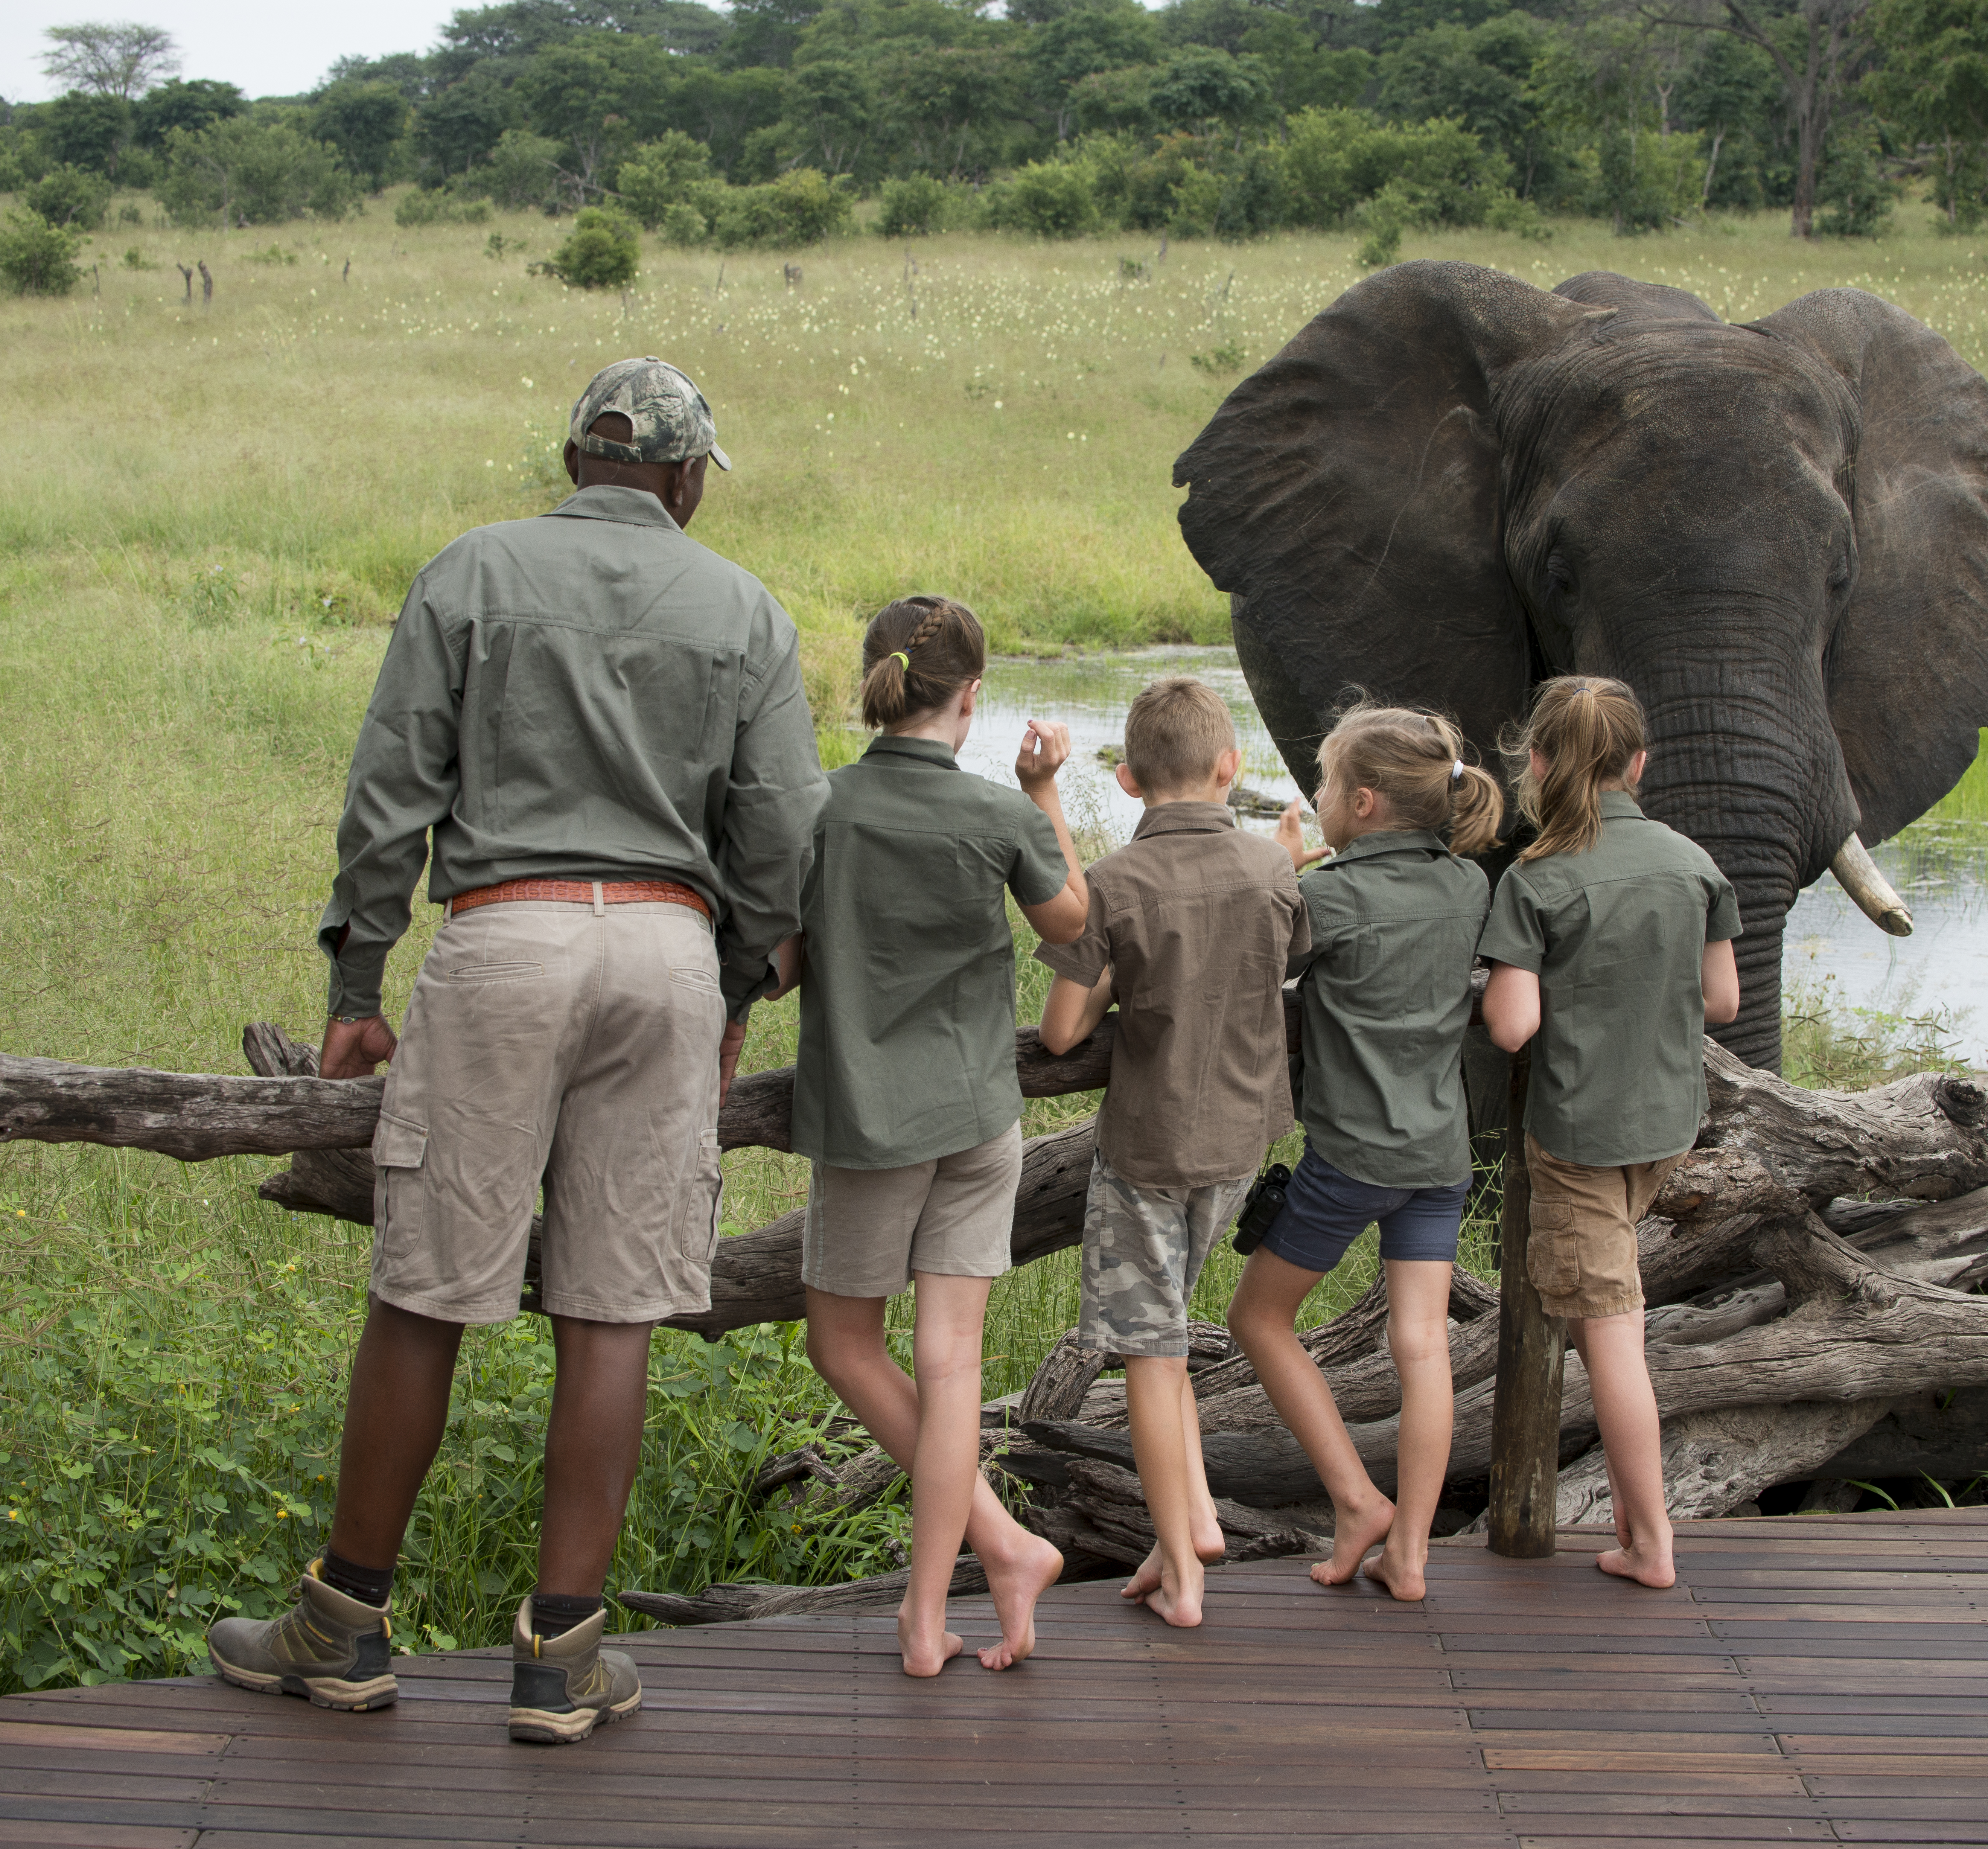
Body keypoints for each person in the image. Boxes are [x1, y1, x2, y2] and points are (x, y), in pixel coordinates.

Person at [206, 358, 827, 1743]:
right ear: (680, 478)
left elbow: (391, 786)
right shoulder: (748, 611)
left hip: (503, 938)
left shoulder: (470, 571)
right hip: (666, 954)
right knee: (611, 1309)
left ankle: (345, 1623)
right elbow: (783, 835)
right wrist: (727, 992)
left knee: (429, 1286)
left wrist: (361, 977)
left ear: (574, 460)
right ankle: (562, 1657)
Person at [769, 595, 1082, 1676]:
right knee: (953, 1366)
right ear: (972, 698)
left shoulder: (823, 808)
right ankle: (958, 1582)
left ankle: (982, 1562)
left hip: (871, 1123)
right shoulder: (1000, 816)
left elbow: (786, 961)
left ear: (875, 683)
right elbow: (1074, 923)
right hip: (978, 1115)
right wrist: (1044, 792)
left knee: (844, 1344)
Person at [1036, 675, 1309, 1628]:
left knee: (1149, 1351)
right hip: (1240, 1141)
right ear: (1230, 768)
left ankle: (1186, 1579)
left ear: (1124, 779)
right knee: (1173, 1330)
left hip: (1150, 1145)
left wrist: (1116, 968)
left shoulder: (1114, 882)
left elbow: (1064, 1029)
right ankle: (1184, 1529)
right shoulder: (1274, 871)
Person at [1224, 706, 1501, 1603]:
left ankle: (1353, 1498)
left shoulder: (1330, 895)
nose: (1320, 797)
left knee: (1258, 1322)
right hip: (1439, 1156)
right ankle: (1411, 1551)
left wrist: (1286, 864)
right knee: (1421, 1344)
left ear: (1367, 803)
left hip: (1349, 1161)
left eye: (1329, 785)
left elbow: (1257, 955)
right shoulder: (1467, 885)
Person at [1478, 676, 1740, 1590]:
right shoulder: (1693, 862)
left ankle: (1652, 1541)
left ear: (1537, 763)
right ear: (1638, 762)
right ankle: (1636, 1522)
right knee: (1605, 1322)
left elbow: (1511, 1026)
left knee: (1613, 1339)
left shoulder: (1534, 878)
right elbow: (1722, 1000)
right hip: (1665, 1125)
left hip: (1580, 1137)